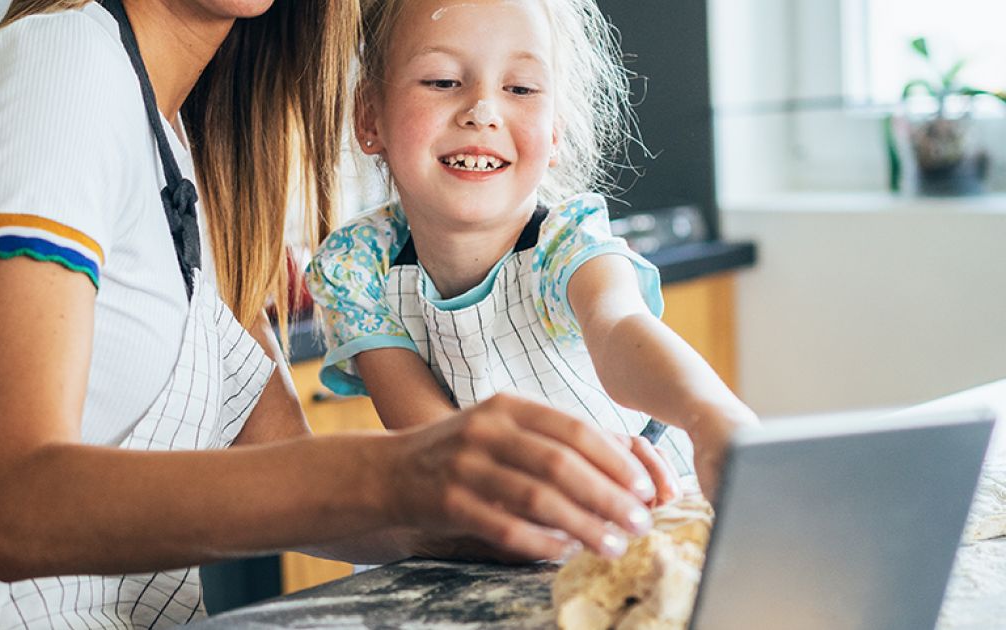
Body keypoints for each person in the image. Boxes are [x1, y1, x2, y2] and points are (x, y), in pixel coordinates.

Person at [0, 0, 681, 628]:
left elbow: (287, 473)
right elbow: (14, 507)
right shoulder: (62, 68)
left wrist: (514, 513)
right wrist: (405, 469)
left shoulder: (194, 156)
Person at [307, 0, 758, 508]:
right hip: (490, 519)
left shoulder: (567, 244)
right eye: (441, 81)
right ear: (370, 116)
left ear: (555, 131)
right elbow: (436, 442)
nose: (482, 111)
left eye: (519, 88)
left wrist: (710, 414)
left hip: (649, 498)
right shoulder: (357, 267)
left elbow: (618, 330)